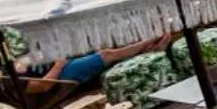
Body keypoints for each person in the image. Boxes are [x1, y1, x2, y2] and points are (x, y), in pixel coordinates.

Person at [26, 30, 174, 84]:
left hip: (62, 60)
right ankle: (149, 42)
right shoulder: (10, 81)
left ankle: (150, 50)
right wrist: (59, 64)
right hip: (62, 75)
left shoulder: (14, 63)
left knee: (101, 45)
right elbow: (42, 86)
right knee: (106, 54)